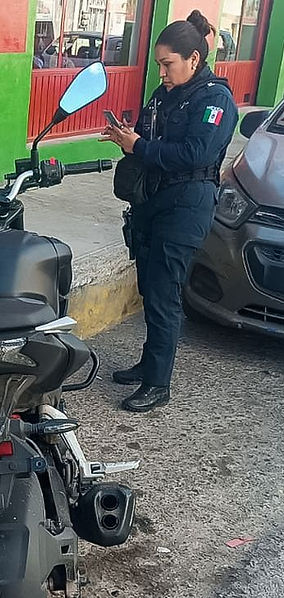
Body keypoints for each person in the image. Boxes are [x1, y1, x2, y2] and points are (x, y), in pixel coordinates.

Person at [102, 10, 237, 413]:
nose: (161, 73)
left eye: (167, 64)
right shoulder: (166, 93)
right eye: (159, 65)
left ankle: (158, 383)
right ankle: (149, 363)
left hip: (186, 206)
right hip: (154, 202)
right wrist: (127, 137)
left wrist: (140, 147)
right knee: (150, 286)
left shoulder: (214, 99)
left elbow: (196, 153)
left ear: (193, 59)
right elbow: (149, 136)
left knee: (164, 293)